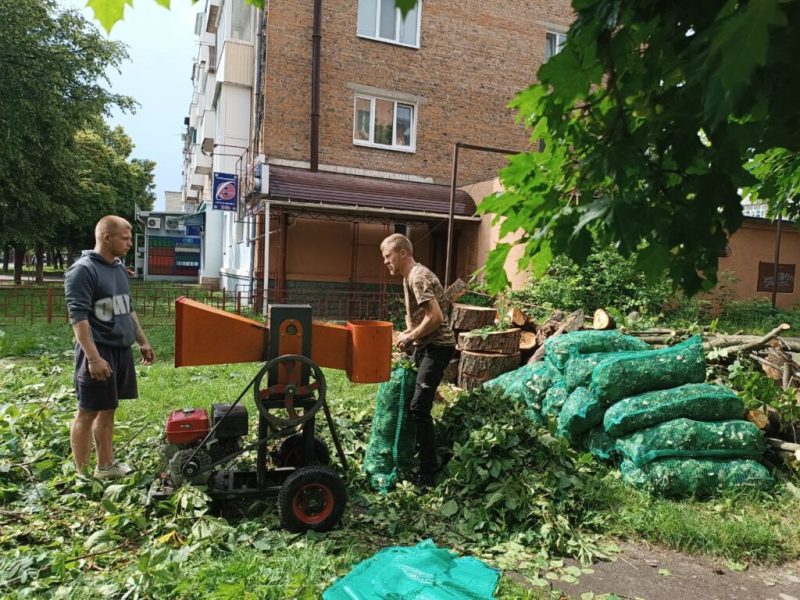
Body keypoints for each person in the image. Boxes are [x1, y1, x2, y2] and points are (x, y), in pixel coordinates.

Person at [64, 216, 155, 480]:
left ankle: (105, 466)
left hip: (120, 350)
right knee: (87, 411)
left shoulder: (117, 268)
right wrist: (93, 359)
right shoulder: (82, 270)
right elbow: (79, 320)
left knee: (109, 409)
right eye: (125, 239)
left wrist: (142, 340)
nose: (129, 243)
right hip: (98, 352)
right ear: (107, 238)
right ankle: (82, 476)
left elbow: (126, 307)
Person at [380, 233, 456, 488]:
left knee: (419, 408)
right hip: (425, 346)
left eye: (387, 256)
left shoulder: (417, 276)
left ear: (403, 253)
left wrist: (411, 335)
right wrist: (409, 334)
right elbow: (424, 316)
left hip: (438, 347)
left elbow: (435, 318)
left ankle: (428, 475)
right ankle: (411, 456)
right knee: (412, 399)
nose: (385, 262)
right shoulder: (409, 277)